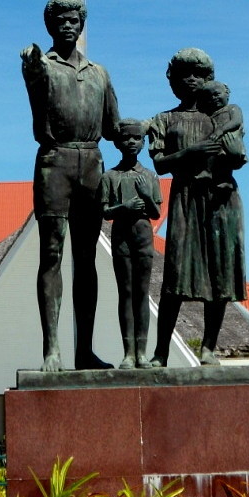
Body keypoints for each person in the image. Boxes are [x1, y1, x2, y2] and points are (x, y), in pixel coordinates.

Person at [21, 0, 120, 372]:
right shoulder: (43, 67)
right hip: (54, 160)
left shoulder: (99, 73)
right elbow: (34, 78)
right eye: (60, 20)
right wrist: (31, 63)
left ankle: (85, 351)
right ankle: (52, 350)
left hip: (92, 162)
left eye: (74, 19)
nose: (67, 25)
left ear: (82, 25)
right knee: (52, 255)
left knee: (88, 260)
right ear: (50, 26)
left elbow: (114, 126)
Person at [148, 48, 247, 366]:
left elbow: (238, 154)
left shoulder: (223, 113)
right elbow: (161, 165)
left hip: (220, 199)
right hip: (186, 198)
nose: (191, 80)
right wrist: (194, 152)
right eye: (183, 75)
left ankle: (208, 347)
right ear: (172, 81)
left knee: (220, 275)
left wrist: (233, 155)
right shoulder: (164, 119)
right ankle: (161, 351)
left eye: (198, 74)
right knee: (175, 276)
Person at [99, 119, 161, 369]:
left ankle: (142, 353)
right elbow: (104, 211)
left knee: (141, 294)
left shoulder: (149, 176)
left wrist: (146, 196)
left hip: (143, 234)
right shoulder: (110, 177)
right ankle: (128, 352)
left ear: (144, 143)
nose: (132, 143)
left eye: (137, 139)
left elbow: (156, 213)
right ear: (117, 143)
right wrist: (122, 207)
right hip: (122, 234)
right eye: (127, 139)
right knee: (125, 293)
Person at [196, 80, 247, 186]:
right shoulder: (210, 114)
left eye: (217, 94)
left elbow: (236, 121)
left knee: (225, 160)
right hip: (216, 140)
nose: (214, 98)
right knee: (212, 152)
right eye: (210, 97)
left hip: (229, 138)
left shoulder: (232, 108)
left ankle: (225, 180)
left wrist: (221, 130)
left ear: (227, 93)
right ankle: (208, 172)